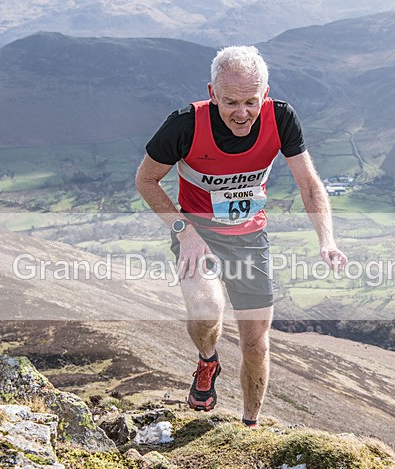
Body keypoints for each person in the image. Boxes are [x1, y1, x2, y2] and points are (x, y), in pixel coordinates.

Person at [135, 45, 346, 427]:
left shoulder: (281, 118)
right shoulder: (184, 125)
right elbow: (145, 179)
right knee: (206, 306)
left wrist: (326, 239)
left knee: (255, 342)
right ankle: (208, 359)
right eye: (230, 101)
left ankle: (250, 424)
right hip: (196, 233)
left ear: (265, 94)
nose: (242, 113)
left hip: (250, 238)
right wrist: (185, 231)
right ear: (212, 93)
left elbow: (309, 184)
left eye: (251, 101)